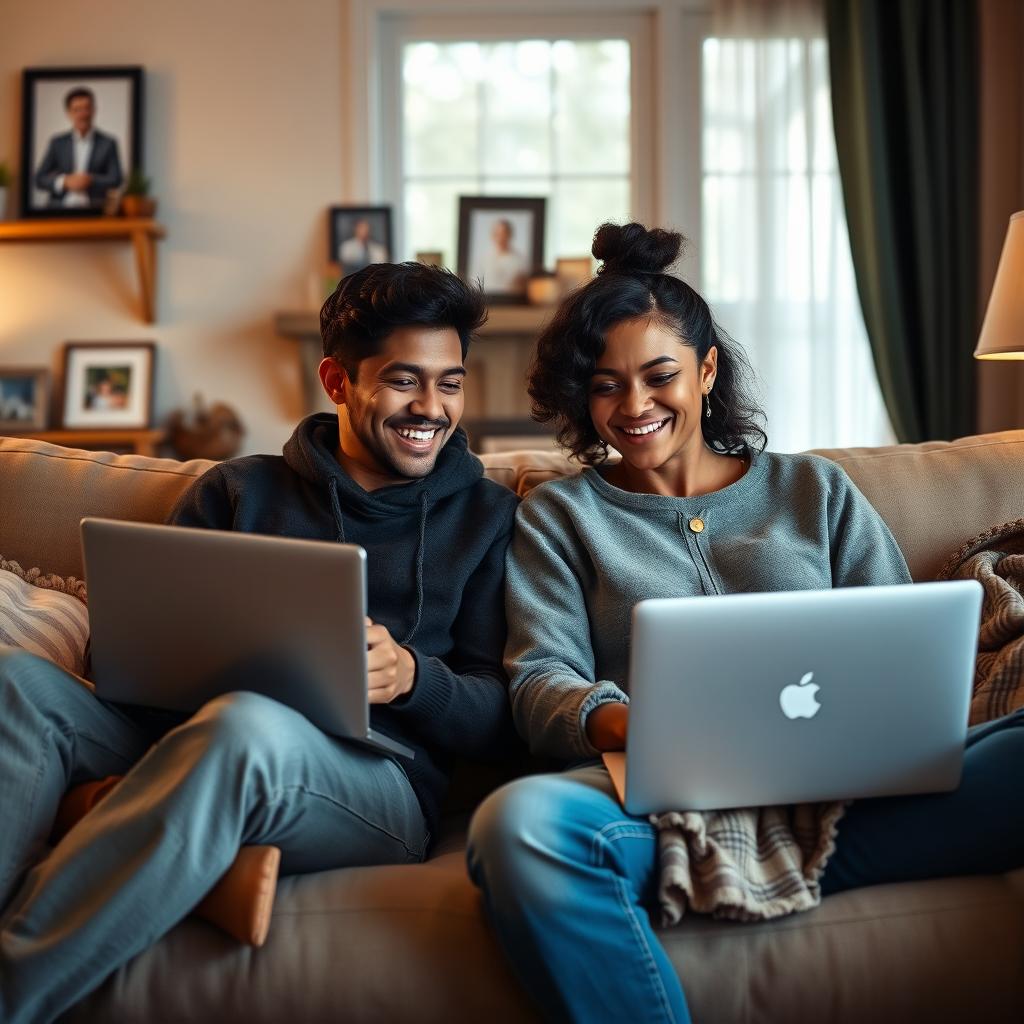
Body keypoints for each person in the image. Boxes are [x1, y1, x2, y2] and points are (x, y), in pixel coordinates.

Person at [465, 222, 1024, 1024]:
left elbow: (904, 639)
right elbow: (540, 681)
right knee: (517, 826)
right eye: (604, 385)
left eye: (660, 376)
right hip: (658, 807)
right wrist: (637, 722)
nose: (634, 406)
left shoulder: (815, 492)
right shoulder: (560, 516)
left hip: (857, 800)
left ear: (707, 370)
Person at [0, 261, 520, 1024]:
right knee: (18, 683)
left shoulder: (484, 520)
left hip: (379, 782)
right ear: (337, 382)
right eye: (405, 380)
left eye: (450, 382)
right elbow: (129, 662)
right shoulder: (238, 491)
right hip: (191, 737)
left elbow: (503, 718)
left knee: (242, 725)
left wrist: (412, 677)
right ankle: (172, 835)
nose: (431, 408)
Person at [34, 87, 123, 210]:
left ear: (94, 110)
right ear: (69, 113)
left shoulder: (108, 143)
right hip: (59, 211)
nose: (83, 114)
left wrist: (90, 180)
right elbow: (39, 179)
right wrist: (64, 182)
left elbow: (116, 179)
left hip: (96, 211)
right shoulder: (57, 142)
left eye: (87, 108)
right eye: (77, 110)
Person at [480, 217, 529, 295]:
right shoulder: (484, 258)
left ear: (509, 235)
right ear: (493, 236)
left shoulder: (520, 260)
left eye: (504, 234)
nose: (500, 238)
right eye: (497, 234)